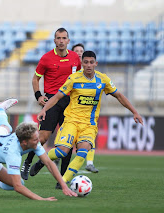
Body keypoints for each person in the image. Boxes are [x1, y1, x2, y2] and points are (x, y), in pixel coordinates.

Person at [33, 51, 143, 186]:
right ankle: (42, 161)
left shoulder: (103, 80)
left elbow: (119, 96)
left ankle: (63, 182)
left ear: (96, 64)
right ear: (82, 64)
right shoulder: (73, 79)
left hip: (89, 124)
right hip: (71, 120)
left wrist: (134, 112)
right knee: (62, 151)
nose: (89, 65)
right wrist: (44, 110)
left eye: (91, 62)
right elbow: (57, 96)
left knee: (82, 152)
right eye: (86, 62)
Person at [0, 98, 78, 200]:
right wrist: (41, 199)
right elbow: (18, 187)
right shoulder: (13, 154)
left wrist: (64, 186)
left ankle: (0, 108)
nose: (38, 141)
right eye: (35, 139)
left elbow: (49, 163)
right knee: (18, 183)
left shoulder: (26, 139)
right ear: (24, 142)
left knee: (7, 127)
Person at [21, 28, 81, 181]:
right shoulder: (46, 58)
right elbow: (35, 79)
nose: (61, 41)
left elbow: (80, 78)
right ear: (54, 41)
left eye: (64, 38)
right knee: (42, 137)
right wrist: (38, 96)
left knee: (68, 141)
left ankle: (62, 179)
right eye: (58, 38)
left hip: (69, 102)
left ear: (68, 40)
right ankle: (27, 163)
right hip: (51, 100)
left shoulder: (75, 58)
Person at [72, 43, 99, 173]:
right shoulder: (72, 70)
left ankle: (89, 162)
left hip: (86, 110)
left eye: (81, 51)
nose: (79, 52)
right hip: (71, 105)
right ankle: (58, 155)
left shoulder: (88, 70)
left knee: (89, 134)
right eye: (76, 51)